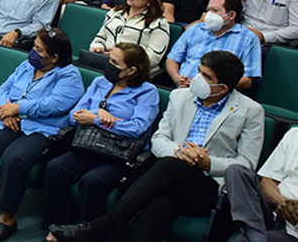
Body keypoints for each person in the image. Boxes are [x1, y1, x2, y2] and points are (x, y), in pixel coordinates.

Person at [49, 51, 264, 242]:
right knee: (157, 206)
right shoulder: (180, 97)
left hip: (210, 185)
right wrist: (181, 154)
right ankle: (95, 229)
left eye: (206, 77)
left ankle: (98, 227)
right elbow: (159, 139)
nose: (197, 78)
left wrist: (208, 162)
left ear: (223, 87)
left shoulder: (250, 111)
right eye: (199, 71)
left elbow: (246, 165)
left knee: (168, 166)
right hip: (171, 177)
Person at [0, 28, 83, 242]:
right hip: (10, 121)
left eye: (39, 49)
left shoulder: (69, 75)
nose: (33, 52)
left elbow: (57, 104)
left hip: (42, 129)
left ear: (54, 57)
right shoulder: (27, 65)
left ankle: (7, 218)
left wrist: (19, 108)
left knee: (15, 157)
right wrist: (4, 109)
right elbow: (4, 89)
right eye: (34, 46)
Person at [41, 43, 160, 235]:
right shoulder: (100, 83)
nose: (109, 65)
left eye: (115, 63)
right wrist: (100, 114)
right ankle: (54, 229)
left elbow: (138, 128)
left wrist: (96, 120)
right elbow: (74, 115)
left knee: (92, 181)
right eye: (110, 59)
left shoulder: (147, 92)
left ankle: (87, 235)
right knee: (56, 168)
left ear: (132, 70)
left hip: (118, 154)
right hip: (88, 145)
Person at [165, 0, 262, 90]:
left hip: (218, 95)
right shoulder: (195, 29)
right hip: (182, 89)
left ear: (231, 15)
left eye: (215, 10)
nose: (209, 15)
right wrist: (176, 77)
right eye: (208, 10)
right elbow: (172, 59)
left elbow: (248, 80)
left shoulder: (249, 39)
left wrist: (213, 87)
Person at [223, 127, 298, 242]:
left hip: (294, 229)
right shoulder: (294, 135)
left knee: (241, 240)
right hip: (273, 210)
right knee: (236, 171)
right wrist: (280, 201)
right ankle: (257, 235)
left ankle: (254, 235)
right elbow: (267, 181)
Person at [92, 0, 171, 70]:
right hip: (104, 63)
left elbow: (153, 58)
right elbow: (100, 38)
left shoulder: (158, 23)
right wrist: (98, 48)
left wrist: (121, 59)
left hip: (134, 72)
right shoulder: (114, 13)